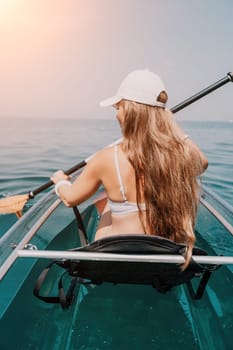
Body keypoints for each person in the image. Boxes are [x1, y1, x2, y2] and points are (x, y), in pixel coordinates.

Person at [51, 69, 208, 269]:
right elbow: (202, 163)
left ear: (130, 111)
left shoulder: (106, 158)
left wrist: (60, 181)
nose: (117, 114)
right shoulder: (180, 156)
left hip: (116, 261)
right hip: (166, 261)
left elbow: (70, 198)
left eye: (119, 107)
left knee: (107, 202)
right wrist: (168, 123)